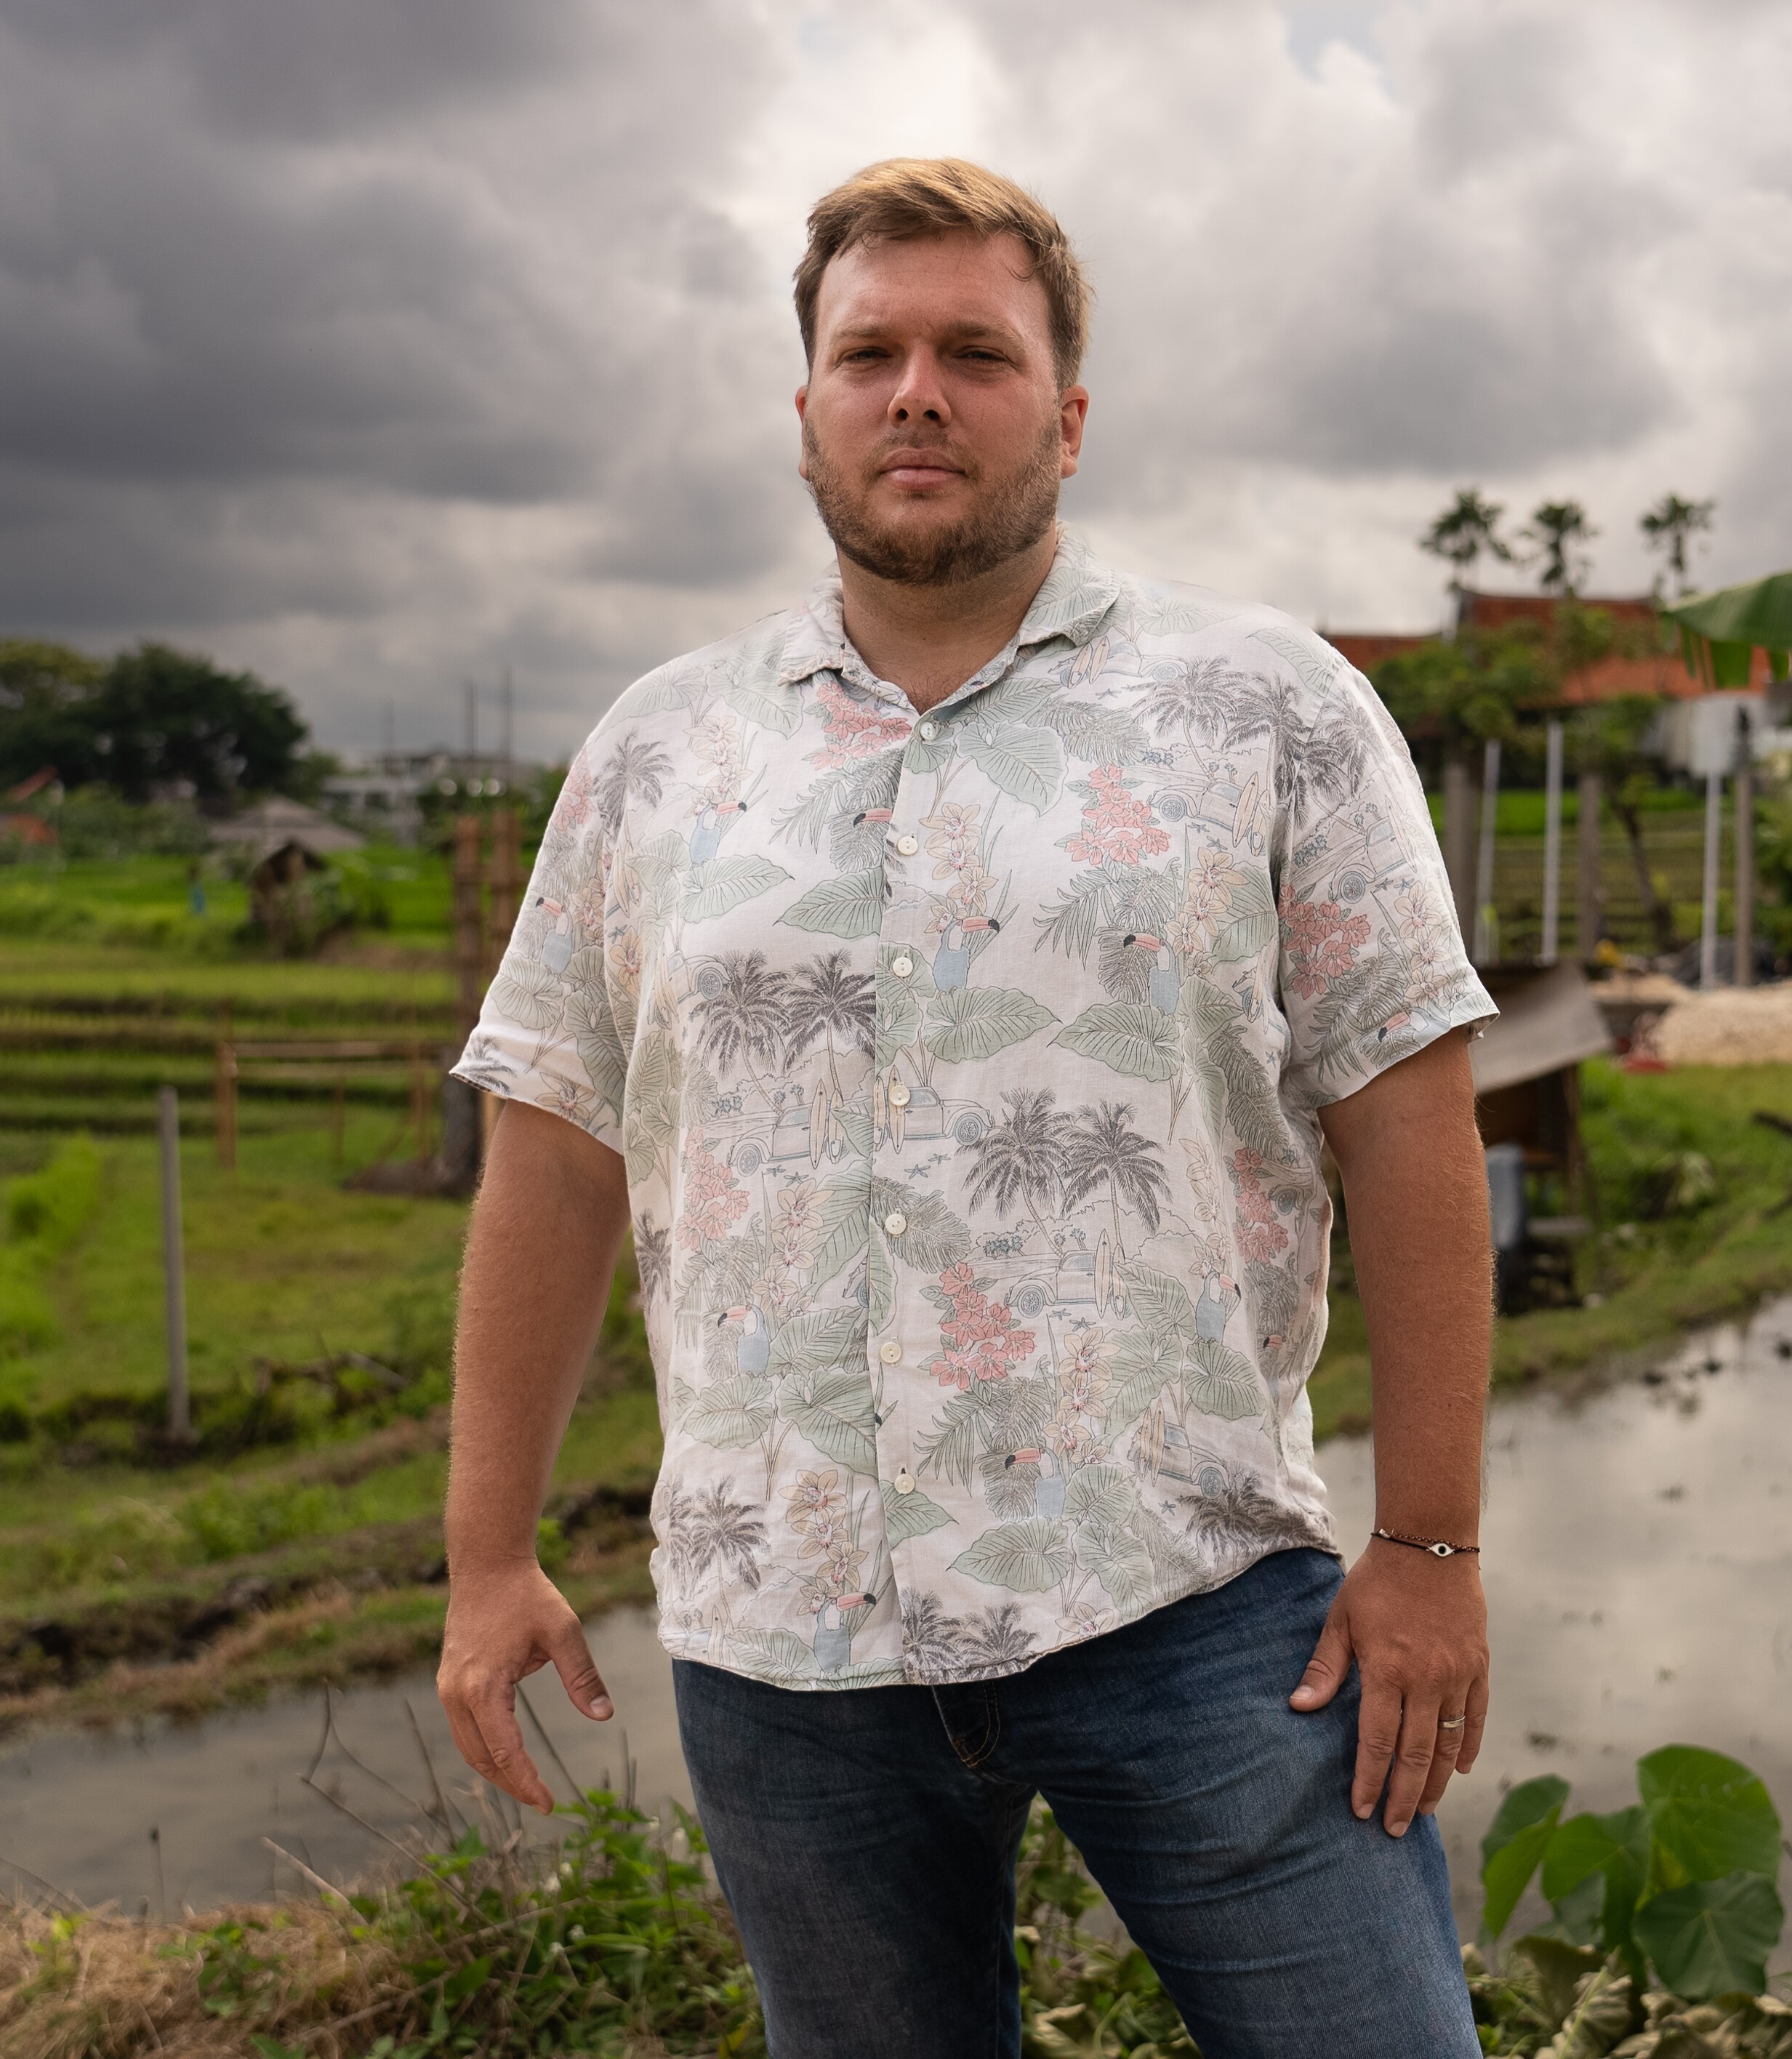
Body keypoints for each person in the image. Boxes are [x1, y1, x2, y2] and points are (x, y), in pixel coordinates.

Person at [438, 156, 1497, 2058]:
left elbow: (1409, 1112)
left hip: (1193, 1595)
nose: (917, 392)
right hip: (783, 1637)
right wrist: (486, 1551)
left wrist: (1429, 1544)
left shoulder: (1266, 707)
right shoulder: (663, 753)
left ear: (1068, 417)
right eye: (872, 354)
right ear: (810, 410)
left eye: (976, 355)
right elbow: (553, 1144)